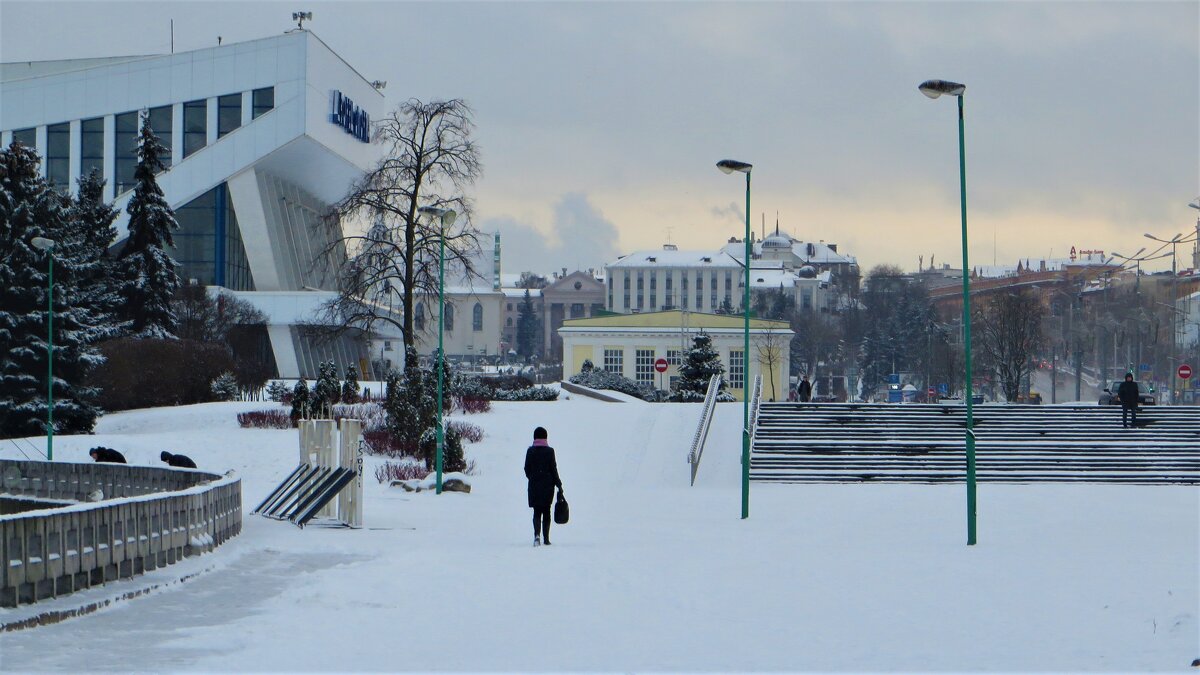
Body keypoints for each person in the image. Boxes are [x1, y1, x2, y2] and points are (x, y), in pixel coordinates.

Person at [524, 426, 563, 547]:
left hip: (534, 486)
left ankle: (536, 535)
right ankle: (546, 538)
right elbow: (553, 469)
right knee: (546, 511)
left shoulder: (530, 451)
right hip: (547, 486)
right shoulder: (550, 451)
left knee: (536, 511)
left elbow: (526, 468)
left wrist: (532, 477)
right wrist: (558, 484)